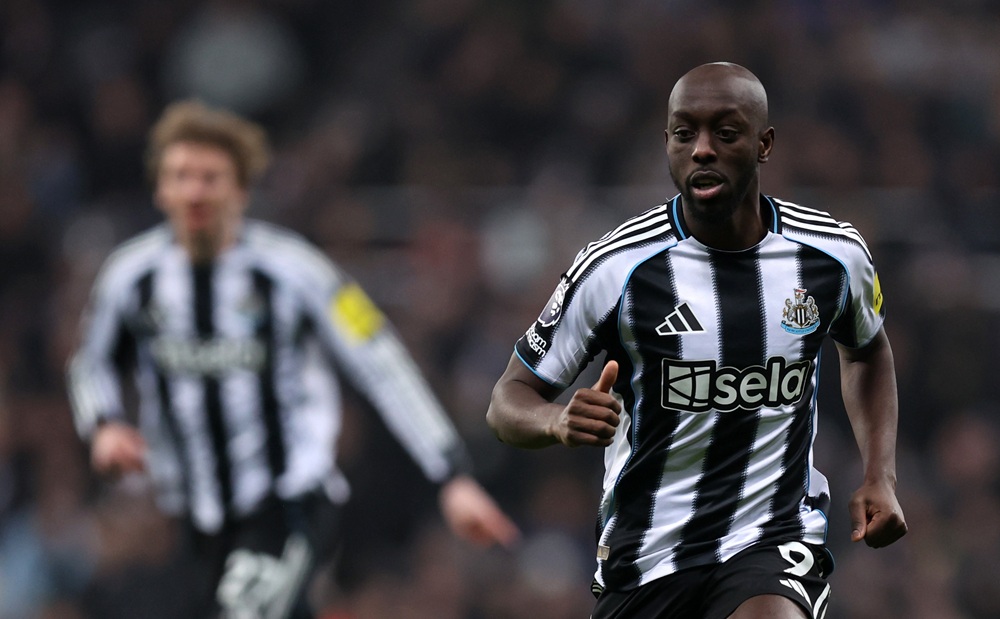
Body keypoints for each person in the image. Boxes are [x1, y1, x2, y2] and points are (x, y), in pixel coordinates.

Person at [66, 99, 520, 618]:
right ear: (159, 188)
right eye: (180, 176)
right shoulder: (130, 277)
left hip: (288, 502)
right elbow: (90, 362)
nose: (194, 191)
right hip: (189, 515)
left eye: (210, 177)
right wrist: (102, 423)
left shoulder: (298, 272)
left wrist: (451, 472)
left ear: (240, 189)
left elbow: (382, 363)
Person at [486, 62, 907, 619]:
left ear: (765, 144)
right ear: (667, 144)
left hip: (774, 537)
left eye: (725, 133)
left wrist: (880, 473)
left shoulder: (832, 257)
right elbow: (506, 402)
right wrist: (556, 421)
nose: (702, 149)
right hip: (644, 558)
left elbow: (868, 349)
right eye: (685, 134)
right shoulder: (616, 269)